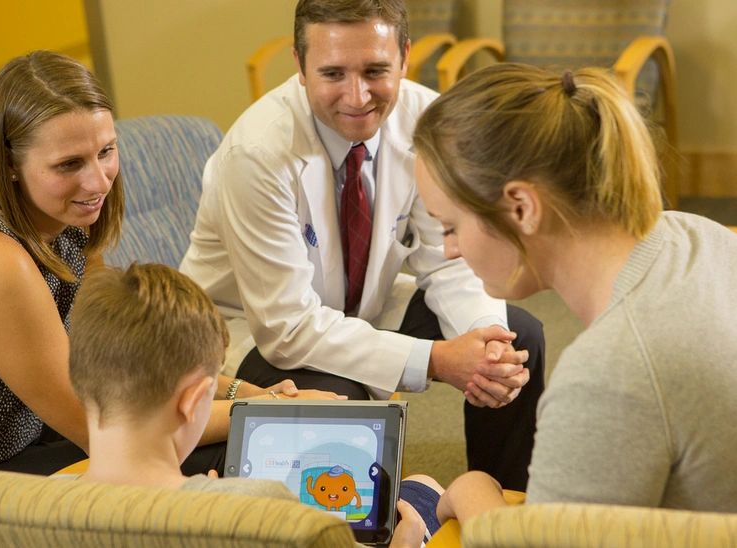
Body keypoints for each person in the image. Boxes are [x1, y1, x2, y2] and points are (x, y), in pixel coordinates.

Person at [0, 50, 337, 476]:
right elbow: (102, 430)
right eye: (68, 164)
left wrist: (261, 396)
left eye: (106, 151)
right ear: (8, 165)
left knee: (257, 441)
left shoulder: (61, 219)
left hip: (33, 432)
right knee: (240, 458)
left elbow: (130, 355)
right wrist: (276, 412)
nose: (98, 181)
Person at [180, 0, 545, 491]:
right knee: (337, 402)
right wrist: (437, 358)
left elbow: (447, 260)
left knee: (514, 341)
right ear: (300, 66)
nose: (357, 96)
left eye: (376, 70)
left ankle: (503, 509)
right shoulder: (257, 153)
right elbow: (287, 327)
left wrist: (485, 346)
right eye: (333, 73)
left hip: (361, 301)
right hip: (246, 329)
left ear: (405, 57)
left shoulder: (427, 121)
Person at [410, 63, 737, 521]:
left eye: (451, 227)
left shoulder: (607, 374)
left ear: (521, 207)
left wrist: (466, 489)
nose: (448, 250)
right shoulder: (701, 235)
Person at [67, 261, 443, 547]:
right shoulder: (266, 509)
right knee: (424, 491)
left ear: (81, 383)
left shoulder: (32, 498)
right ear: (195, 401)